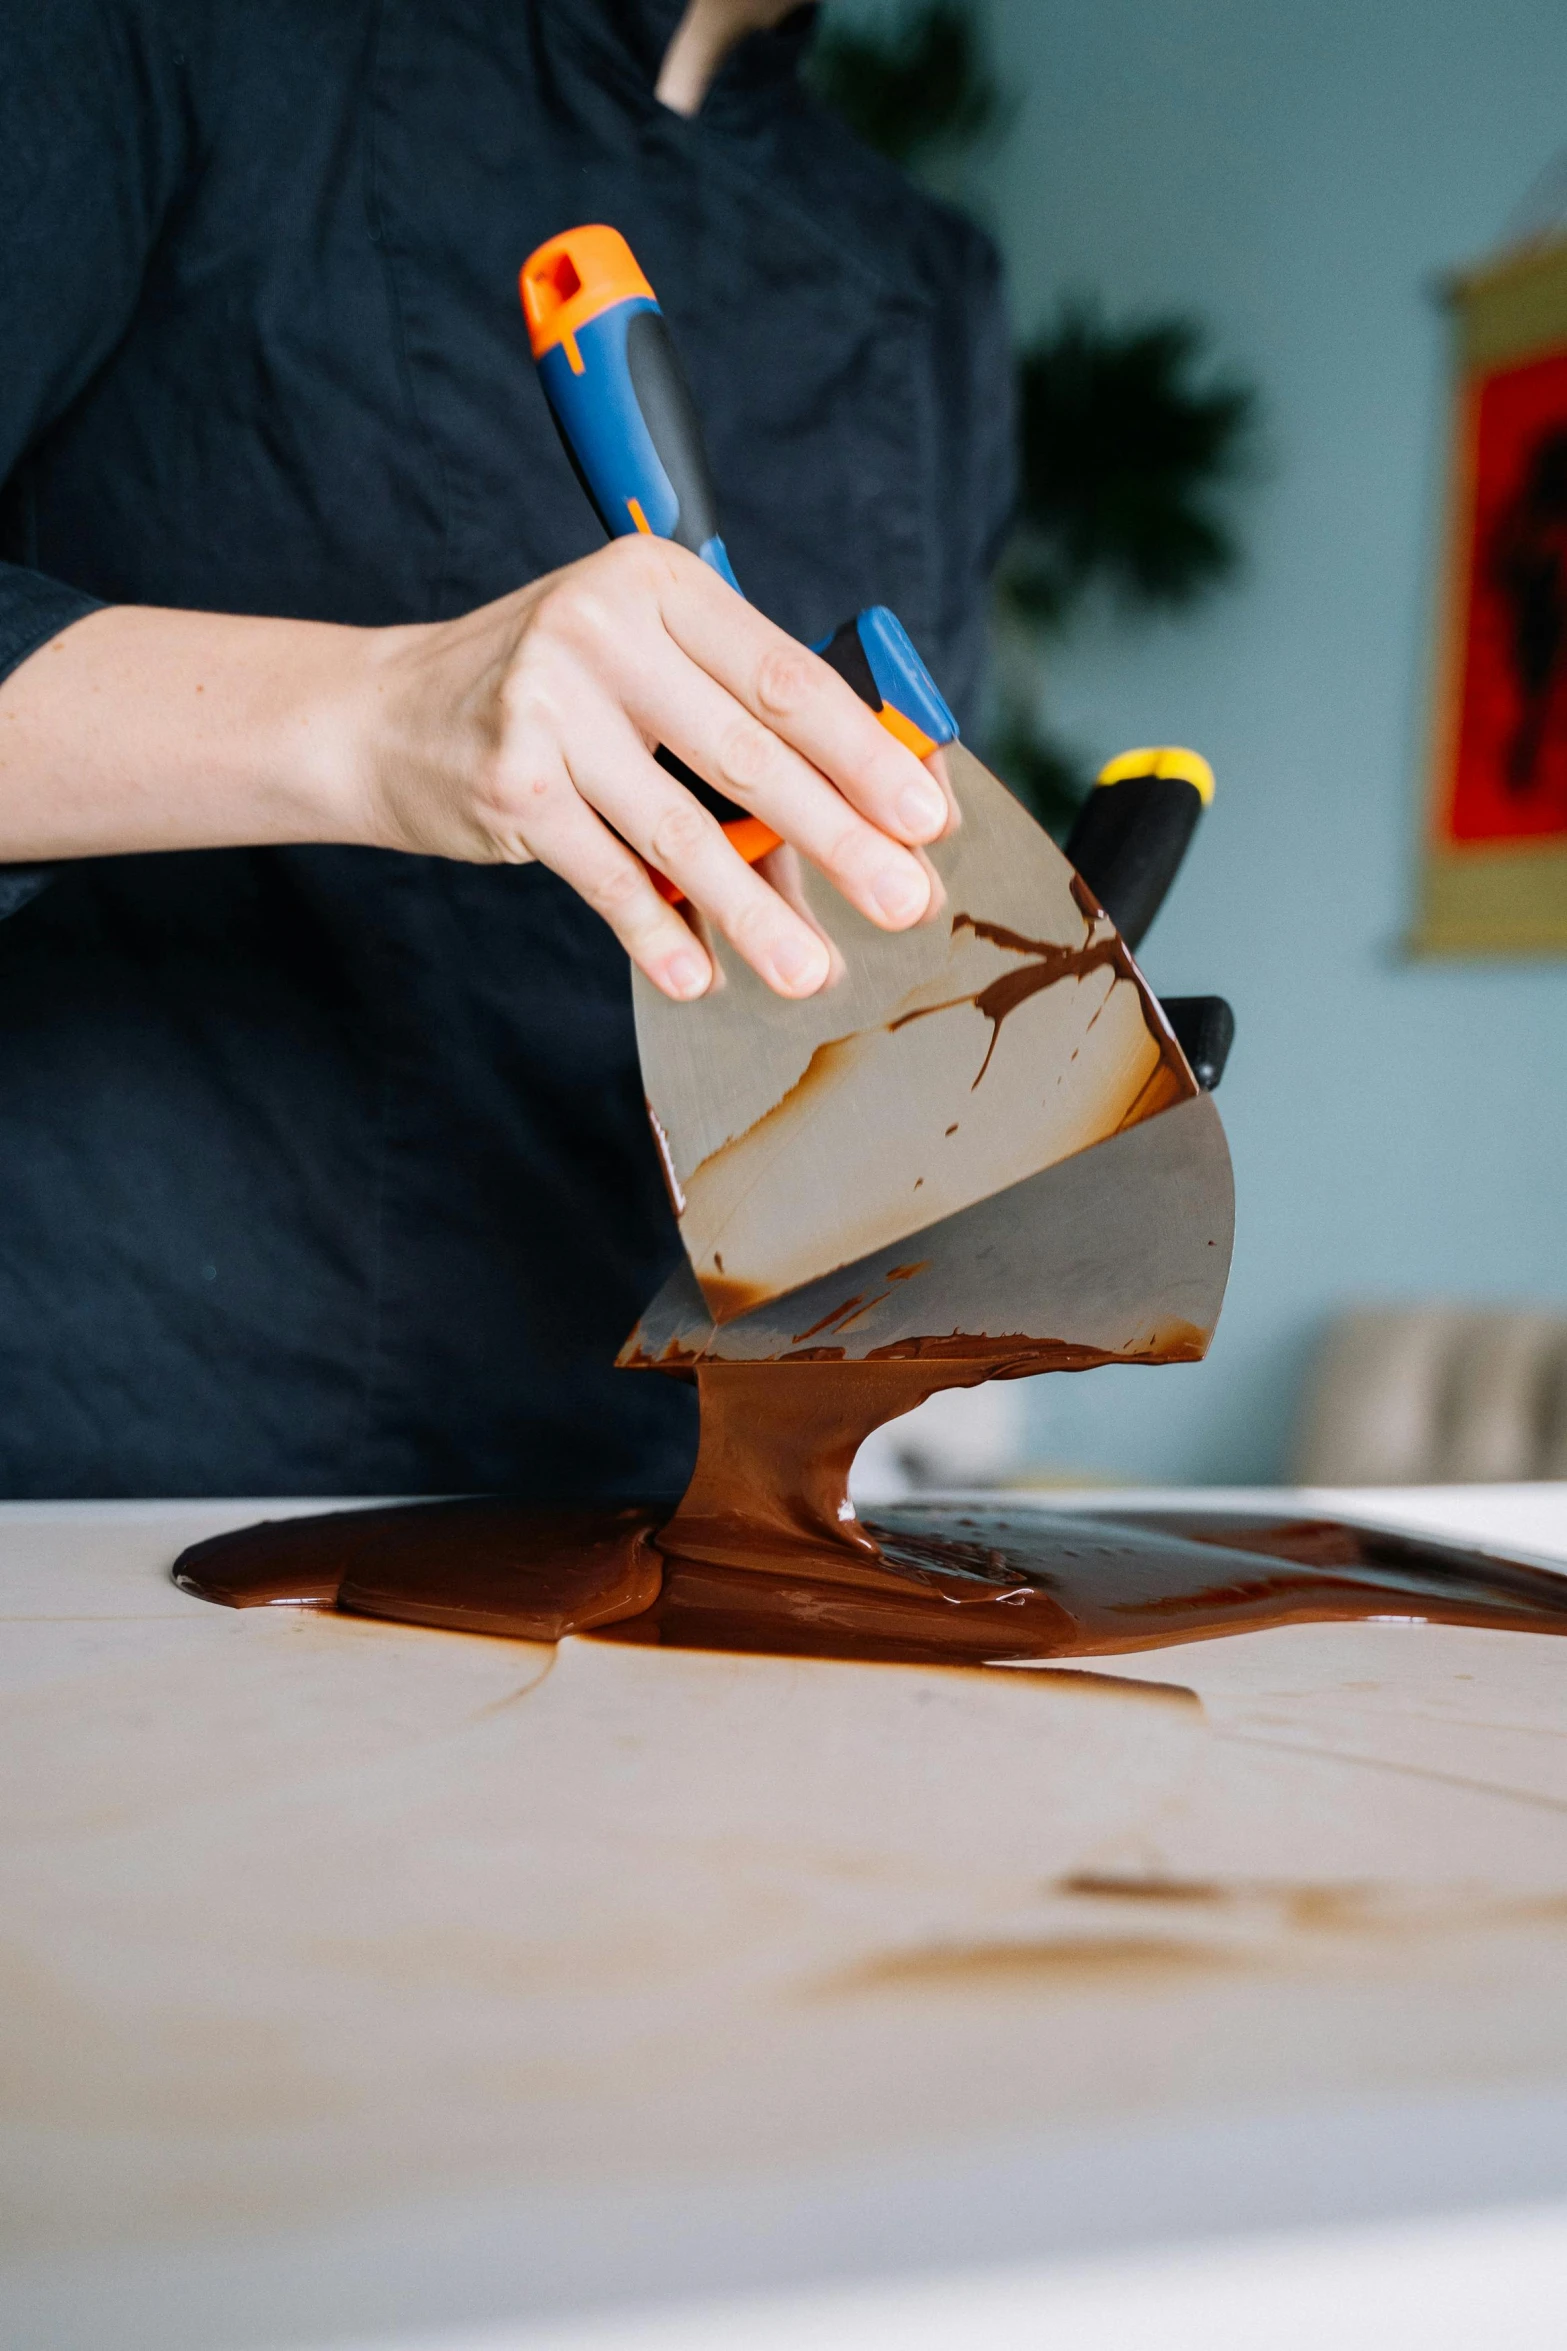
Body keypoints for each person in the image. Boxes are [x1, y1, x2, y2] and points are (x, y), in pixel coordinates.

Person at [0, 0, 1014, 1500]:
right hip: (116, 1456)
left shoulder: (929, 283)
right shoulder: (154, 37)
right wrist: (384, 716)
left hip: (640, 1493)